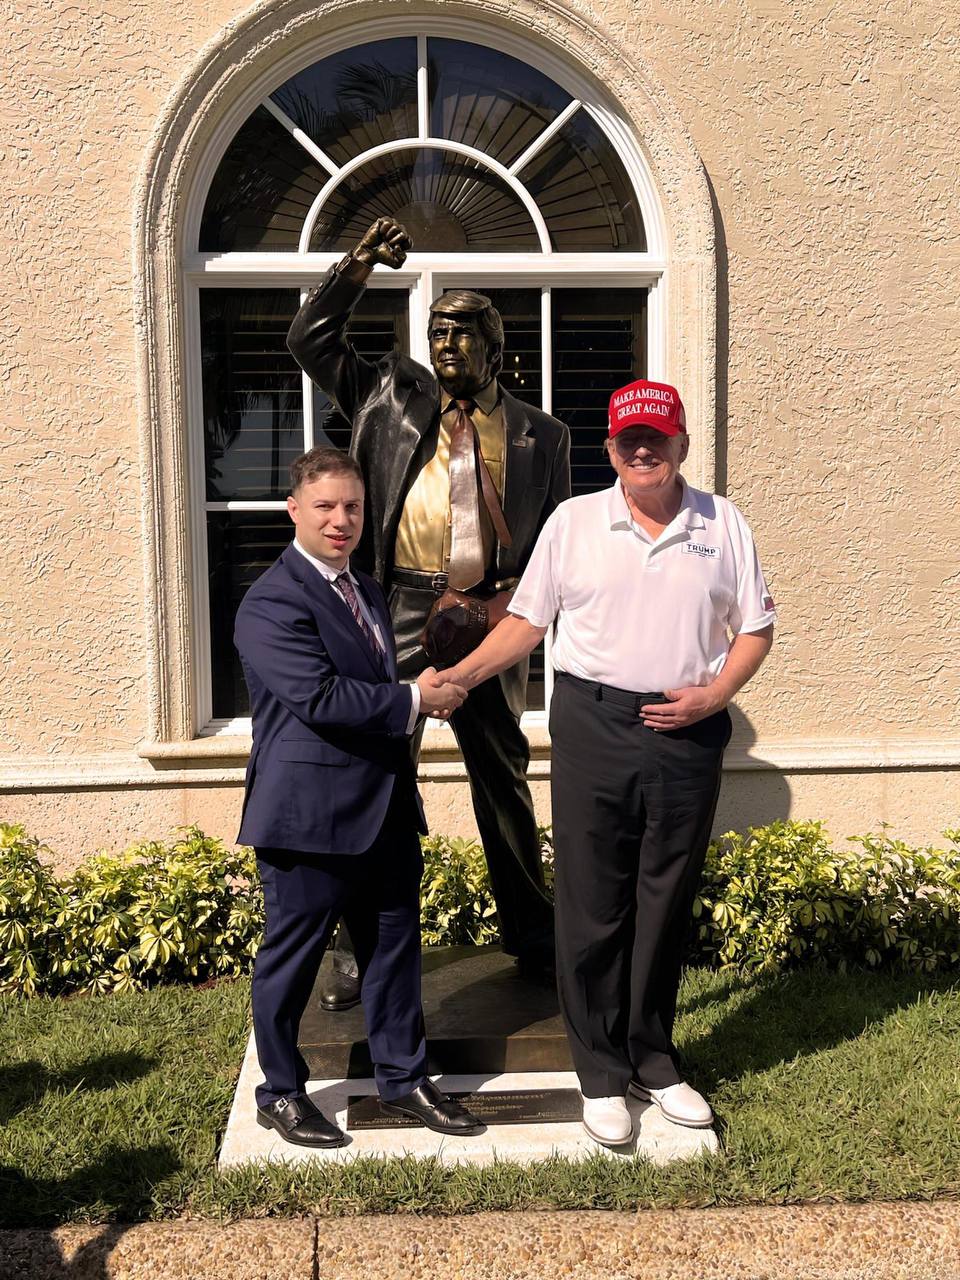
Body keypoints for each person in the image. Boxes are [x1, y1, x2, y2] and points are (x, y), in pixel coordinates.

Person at [439, 379, 775, 1147]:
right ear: (611, 449)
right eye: (630, 440)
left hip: (687, 729)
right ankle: (599, 1073)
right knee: (593, 899)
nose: (643, 450)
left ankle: (652, 1058)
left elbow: (755, 628)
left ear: (681, 444)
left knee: (665, 897)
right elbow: (527, 623)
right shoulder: (575, 523)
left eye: (657, 437)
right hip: (594, 723)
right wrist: (459, 678)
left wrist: (714, 695)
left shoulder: (722, 523)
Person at [286, 217, 571, 1007]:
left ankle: (533, 935)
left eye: (463, 330)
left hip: (492, 613)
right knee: (376, 771)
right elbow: (309, 338)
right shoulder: (389, 395)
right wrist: (358, 265)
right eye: (438, 330)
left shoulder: (543, 435)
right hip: (400, 606)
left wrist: (515, 607)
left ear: (496, 347)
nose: (446, 343)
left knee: (502, 778)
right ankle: (353, 946)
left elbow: (556, 540)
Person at [234, 446, 482, 1146]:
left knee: (394, 954)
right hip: (307, 818)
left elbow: (372, 688)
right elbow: (319, 697)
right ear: (294, 510)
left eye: (352, 507)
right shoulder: (271, 601)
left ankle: (403, 1079)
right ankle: (280, 1092)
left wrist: (422, 691)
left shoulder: (365, 590)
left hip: (384, 810)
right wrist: (415, 699)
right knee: (291, 962)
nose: (340, 520)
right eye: (325, 506)